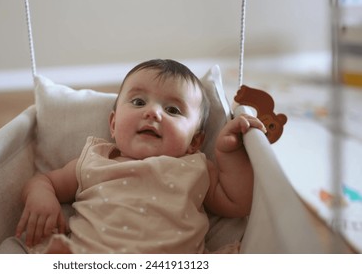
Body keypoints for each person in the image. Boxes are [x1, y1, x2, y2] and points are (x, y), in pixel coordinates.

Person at [15, 59, 266, 254]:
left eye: (172, 109)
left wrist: (228, 154)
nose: (153, 113)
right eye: (138, 102)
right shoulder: (95, 160)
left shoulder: (195, 166)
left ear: (195, 142)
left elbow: (237, 203)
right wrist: (42, 197)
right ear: (113, 124)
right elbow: (43, 180)